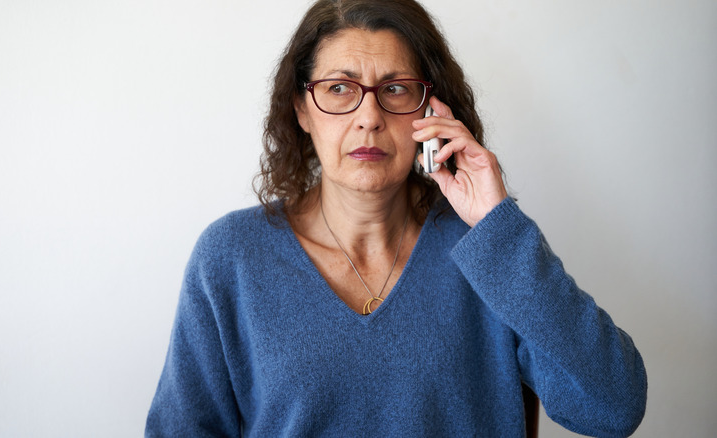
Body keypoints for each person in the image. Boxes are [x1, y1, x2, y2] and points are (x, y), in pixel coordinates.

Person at [145, 0, 647, 436]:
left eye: (396, 89)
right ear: (302, 108)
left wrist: (497, 224)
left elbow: (613, 409)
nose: (369, 117)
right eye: (339, 89)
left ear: (431, 110)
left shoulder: (490, 249)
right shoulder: (231, 257)